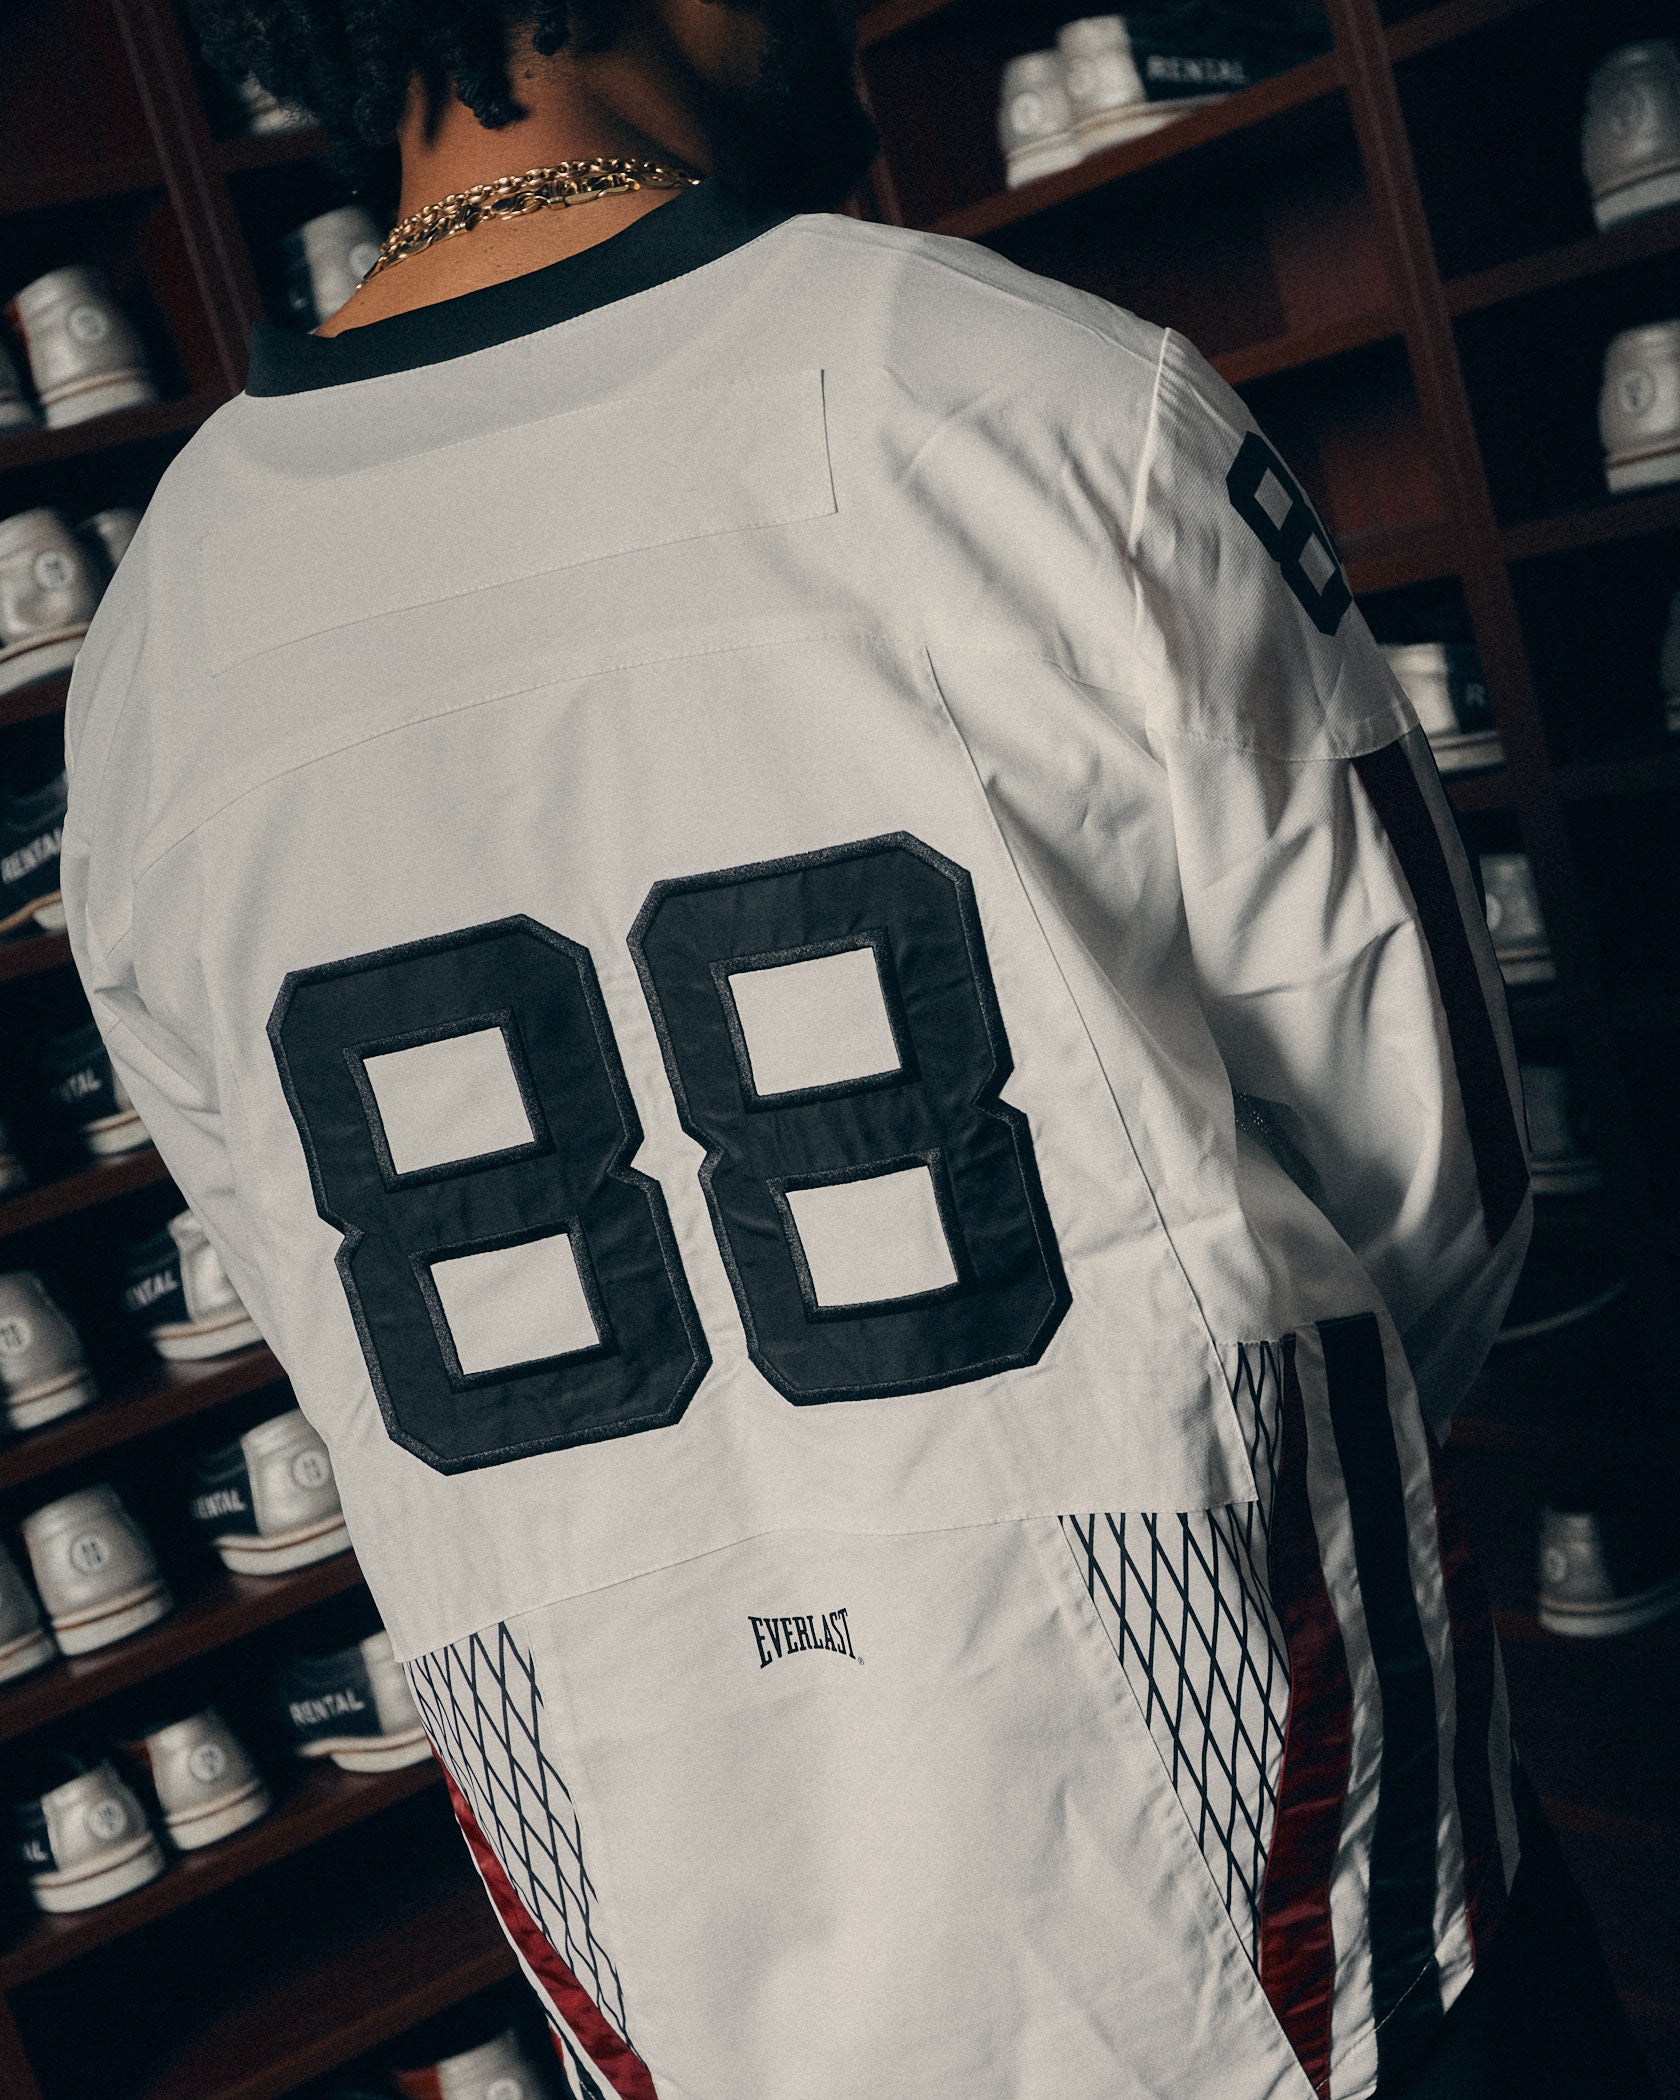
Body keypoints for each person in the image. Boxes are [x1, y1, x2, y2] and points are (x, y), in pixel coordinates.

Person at [60, 3, 1651, 2095]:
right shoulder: (1035, 397)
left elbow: (313, 1328)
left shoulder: (154, 639)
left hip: (677, 1937)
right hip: (1267, 1904)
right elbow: (1432, 1182)